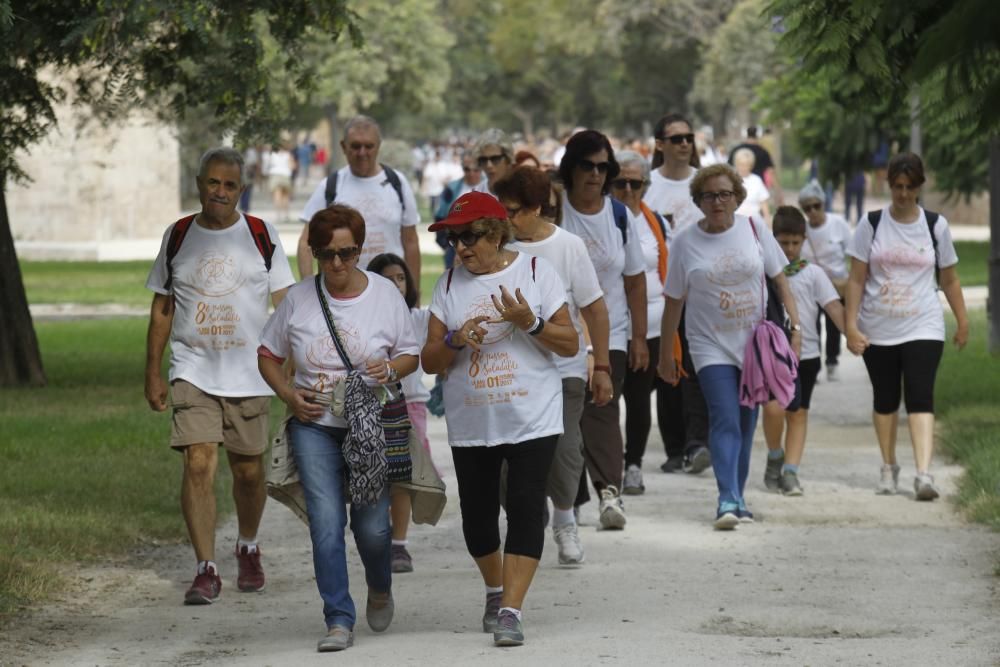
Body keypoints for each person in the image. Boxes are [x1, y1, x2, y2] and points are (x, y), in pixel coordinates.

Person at [258, 205, 420, 652]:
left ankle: (380, 586)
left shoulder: (385, 294)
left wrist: (388, 368)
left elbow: (411, 355)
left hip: (369, 423)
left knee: (372, 529)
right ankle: (338, 618)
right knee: (326, 524)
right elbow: (267, 354)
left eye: (347, 253)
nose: (337, 264)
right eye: (327, 254)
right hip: (315, 426)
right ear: (314, 252)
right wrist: (290, 396)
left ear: (360, 249)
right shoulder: (298, 299)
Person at [422, 192, 578, 647]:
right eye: (454, 238)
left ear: (495, 232)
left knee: (528, 509)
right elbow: (431, 362)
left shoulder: (535, 272)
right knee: (478, 520)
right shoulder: (448, 286)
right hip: (473, 422)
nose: (461, 247)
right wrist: (453, 339)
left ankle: (511, 609)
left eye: (470, 236)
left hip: (533, 416)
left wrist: (531, 322)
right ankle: (495, 589)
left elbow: (570, 344)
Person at [144, 147, 296, 604]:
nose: (220, 192)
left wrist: (291, 368)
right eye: (213, 183)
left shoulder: (260, 234)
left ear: (241, 190)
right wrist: (153, 371)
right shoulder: (179, 234)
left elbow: (286, 304)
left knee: (248, 471)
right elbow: (162, 306)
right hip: (193, 368)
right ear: (199, 184)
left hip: (250, 373)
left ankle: (248, 546)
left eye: (230, 185)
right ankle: (205, 567)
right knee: (198, 462)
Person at [658, 163, 801, 530]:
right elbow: (674, 300)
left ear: (737, 197)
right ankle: (726, 498)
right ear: (699, 201)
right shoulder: (685, 242)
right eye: (709, 195)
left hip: (754, 344)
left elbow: (780, 281)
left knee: (745, 422)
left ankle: (739, 497)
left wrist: (795, 327)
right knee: (724, 416)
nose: (717, 201)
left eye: (724, 194)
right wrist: (666, 353)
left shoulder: (754, 229)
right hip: (708, 344)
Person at [495, 166, 613, 566]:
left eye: (513, 211)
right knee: (510, 458)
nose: (506, 220)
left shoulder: (568, 246)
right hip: (511, 372)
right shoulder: (497, 248)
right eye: (502, 211)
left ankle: (565, 520)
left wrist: (602, 366)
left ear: (537, 207)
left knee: (564, 450)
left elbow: (595, 309)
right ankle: (526, 521)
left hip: (563, 369)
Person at [844, 152, 968, 500]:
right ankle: (888, 466)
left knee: (920, 394)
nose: (902, 194)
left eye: (909, 187)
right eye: (897, 186)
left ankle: (924, 474)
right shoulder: (871, 224)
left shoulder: (935, 226)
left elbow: (950, 279)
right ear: (889, 185)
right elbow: (855, 280)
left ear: (919, 186)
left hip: (923, 324)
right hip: (878, 326)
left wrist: (962, 321)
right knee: (885, 398)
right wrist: (851, 327)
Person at [558, 129, 648, 530]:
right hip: (559, 334)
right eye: (586, 165)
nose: (594, 174)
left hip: (609, 331)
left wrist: (640, 338)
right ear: (571, 168)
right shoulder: (554, 209)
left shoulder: (619, 216)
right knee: (565, 417)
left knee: (602, 408)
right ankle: (570, 499)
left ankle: (610, 493)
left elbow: (635, 280)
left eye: (602, 167)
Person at [762, 207, 845, 496]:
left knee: (798, 413)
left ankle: (791, 471)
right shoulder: (761, 272)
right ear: (772, 240)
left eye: (795, 242)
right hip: (771, 355)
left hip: (805, 355)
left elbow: (833, 306)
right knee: (773, 408)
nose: (789, 249)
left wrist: (853, 333)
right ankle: (775, 454)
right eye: (783, 242)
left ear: (804, 241)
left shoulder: (813, 274)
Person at [611, 150, 681, 495]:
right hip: (609, 325)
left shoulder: (658, 223)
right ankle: (605, 469)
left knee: (639, 401)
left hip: (651, 326)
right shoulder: (602, 219)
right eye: (620, 182)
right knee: (604, 403)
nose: (627, 189)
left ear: (645, 186)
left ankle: (633, 464)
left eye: (634, 183)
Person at [366, 252, 437, 574]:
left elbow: (446, 333)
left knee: (403, 478)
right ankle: (376, 536)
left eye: (400, 278)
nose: (395, 284)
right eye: (387, 279)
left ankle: (399, 545)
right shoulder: (363, 319)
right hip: (372, 406)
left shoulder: (419, 319)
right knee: (376, 476)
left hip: (410, 405)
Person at [297, 116, 421, 284]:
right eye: (355, 146)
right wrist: (309, 287)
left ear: (378, 146)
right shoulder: (330, 187)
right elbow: (306, 243)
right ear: (343, 146)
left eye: (368, 146)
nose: (362, 152)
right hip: (341, 294)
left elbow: (411, 241)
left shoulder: (397, 183)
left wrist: (414, 294)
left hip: (390, 289)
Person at [798, 180, 852, 381]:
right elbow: (794, 260)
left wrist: (851, 280)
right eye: (807, 208)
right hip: (810, 286)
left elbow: (853, 253)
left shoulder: (838, 223)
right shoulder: (802, 230)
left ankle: (832, 361)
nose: (812, 211)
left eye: (816, 206)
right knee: (811, 324)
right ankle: (814, 364)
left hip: (836, 284)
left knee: (834, 324)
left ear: (823, 203)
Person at [644, 113, 703, 232]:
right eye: (677, 139)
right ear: (660, 145)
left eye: (689, 138)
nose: (684, 144)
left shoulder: (707, 182)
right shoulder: (644, 185)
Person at [434, 151, 483, 268]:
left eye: (475, 170)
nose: (471, 173)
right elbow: (440, 215)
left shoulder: (489, 187)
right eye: (467, 169)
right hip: (454, 246)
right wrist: (445, 243)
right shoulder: (452, 188)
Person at [472, 128, 515, 197]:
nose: (489, 165)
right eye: (483, 160)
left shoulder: (522, 192)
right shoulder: (476, 194)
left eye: (495, 159)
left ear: (508, 159)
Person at [733, 148, 771, 222]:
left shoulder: (756, 180)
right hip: (735, 222)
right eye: (741, 164)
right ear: (736, 164)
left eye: (746, 165)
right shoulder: (730, 180)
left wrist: (767, 220)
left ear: (751, 166)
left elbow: (763, 202)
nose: (743, 168)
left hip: (753, 221)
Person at [267, 142, 296, 223]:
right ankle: (286, 215)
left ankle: (278, 215)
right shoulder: (288, 155)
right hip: (285, 176)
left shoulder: (272, 154)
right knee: (286, 197)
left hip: (275, 175)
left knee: (277, 196)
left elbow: (269, 165)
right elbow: (293, 166)